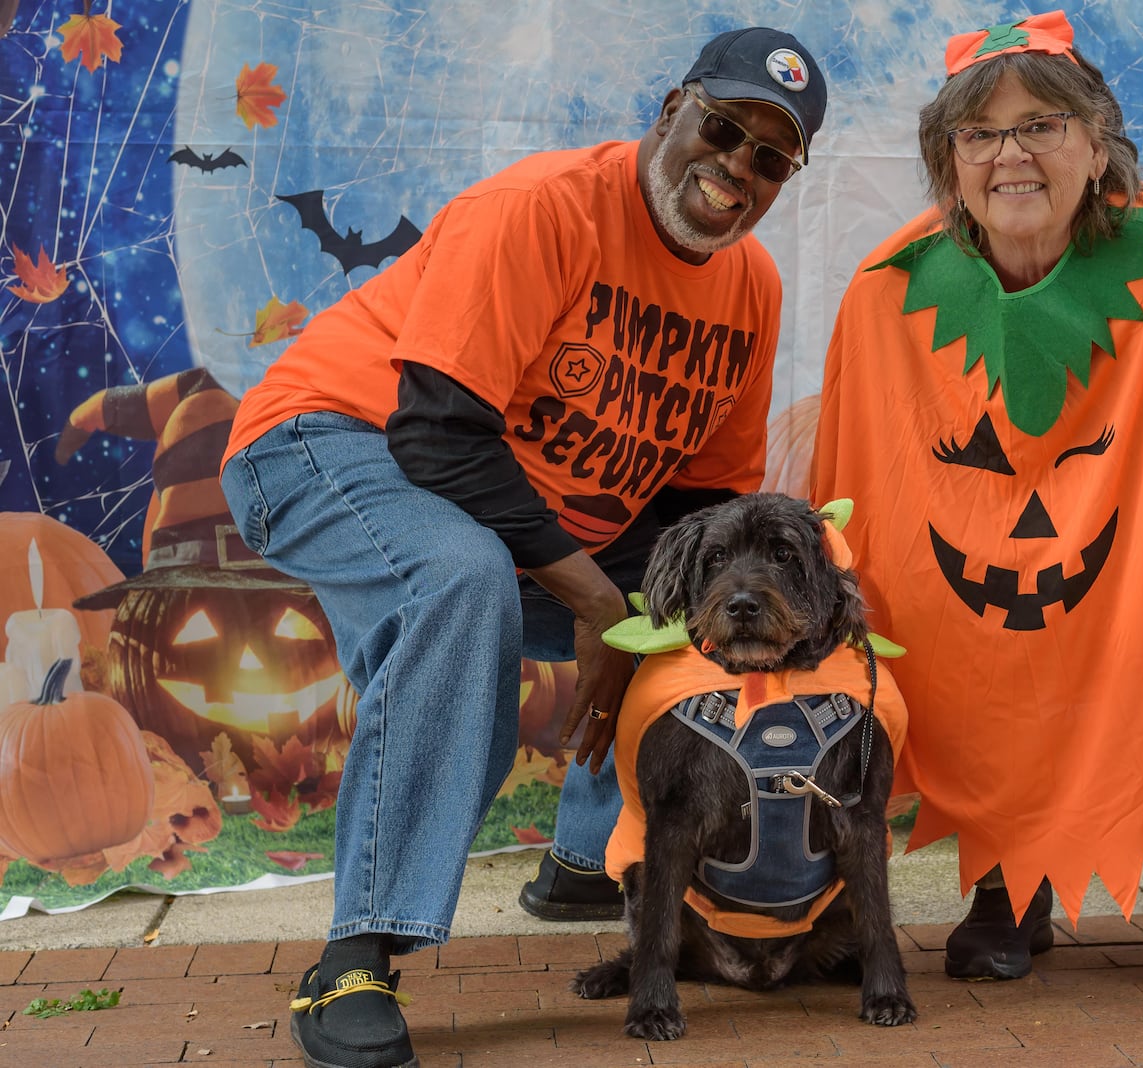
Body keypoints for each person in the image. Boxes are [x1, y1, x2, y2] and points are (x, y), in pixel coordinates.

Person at [220, 26, 826, 1068]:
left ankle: (596, 861)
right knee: (461, 582)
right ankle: (356, 956)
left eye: (770, 157)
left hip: (497, 501)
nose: (738, 166)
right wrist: (595, 603)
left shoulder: (751, 288)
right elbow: (437, 433)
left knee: (718, 603)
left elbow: (704, 506)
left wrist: (649, 615)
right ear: (672, 109)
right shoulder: (543, 208)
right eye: (724, 129)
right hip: (329, 440)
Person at [810, 11, 1143, 987]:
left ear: (1096, 144)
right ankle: (1007, 883)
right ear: (949, 160)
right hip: (983, 587)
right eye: (980, 133)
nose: (1011, 155)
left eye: (1040, 126)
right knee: (962, 637)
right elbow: (860, 488)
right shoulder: (890, 290)